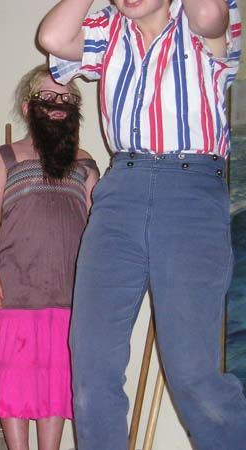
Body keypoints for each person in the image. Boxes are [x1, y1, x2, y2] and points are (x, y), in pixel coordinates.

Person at [38, 1, 246, 449]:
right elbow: (53, 38)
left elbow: (209, 17)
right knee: (91, 369)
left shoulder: (198, 22)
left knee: (192, 373)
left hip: (191, 192)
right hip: (120, 192)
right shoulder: (106, 29)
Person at [0, 64, 99, 450]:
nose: (58, 103)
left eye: (67, 98)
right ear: (28, 107)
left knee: (57, 377)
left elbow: (100, 222)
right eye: (48, 96)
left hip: (69, 293)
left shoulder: (85, 163)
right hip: (16, 290)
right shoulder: (5, 159)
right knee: (14, 374)